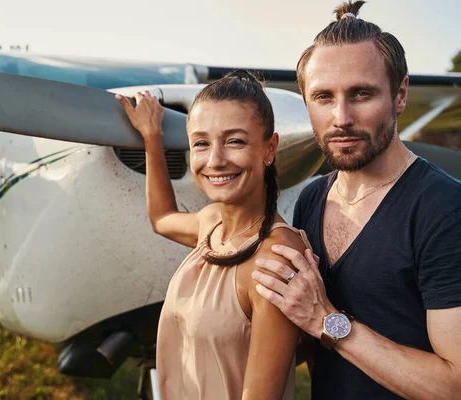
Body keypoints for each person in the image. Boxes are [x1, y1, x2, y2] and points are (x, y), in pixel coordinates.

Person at [252, 1, 461, 399]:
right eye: (323, 97)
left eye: (361, 94)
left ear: (399, 95)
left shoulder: (445, 209)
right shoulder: (312, 199)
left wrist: (327, 320)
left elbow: (456, 386)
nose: (341, 117)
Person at [116, 71, 313, 399]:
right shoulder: (213, 225)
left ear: (270, 148)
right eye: (201, 144)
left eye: (235, 140)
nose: (215, 161)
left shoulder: (274, 263)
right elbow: (162, 218)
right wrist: (153, 138)